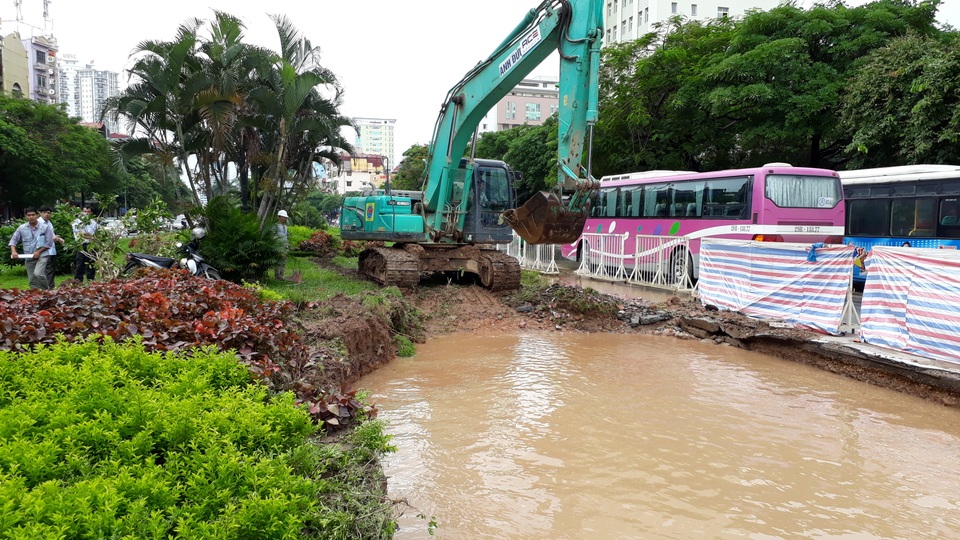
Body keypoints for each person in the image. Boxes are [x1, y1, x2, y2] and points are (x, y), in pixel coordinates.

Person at [8, 206, 53, 290]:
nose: (31, 217)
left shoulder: (45, 227)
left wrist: (38, 252)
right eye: (29, 215)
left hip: (42, 255)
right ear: (26, 216)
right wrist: (13, 251)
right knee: (32, 280)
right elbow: (13, 241)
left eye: (33, 215)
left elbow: (49, 243)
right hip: (29, 256)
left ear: (37, 215)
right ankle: (35, 295)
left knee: (38, 274)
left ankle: (47, 291)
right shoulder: (22, 228)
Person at [38, 205, 64, 288]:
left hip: (51, 250)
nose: (47, 214)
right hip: (44, 250)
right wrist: (52, 238)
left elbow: (52, 235)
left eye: (48, 213)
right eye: (44, 212)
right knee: (48, 270)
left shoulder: (49, 223)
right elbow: (39, 237)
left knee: (51, 270)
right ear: (40, 213)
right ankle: (48, 288)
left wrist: (59, 239)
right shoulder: (38, 223)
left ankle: (50, 288)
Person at [72, 205, 99, 282]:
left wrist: (90, 236)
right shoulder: (76, 222)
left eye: (88, 212)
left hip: (91, 245)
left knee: (92, 263)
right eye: (85, 211)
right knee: (80, 264)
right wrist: (89, 236)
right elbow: (81, 234)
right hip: (81, 245)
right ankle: (78, 281)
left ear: (91, 213)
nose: (86, 213)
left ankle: (91, 281)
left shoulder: (94, 223)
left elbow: (95, 235)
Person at [275, 209, 289, 280]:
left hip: (285, 246)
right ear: (279, 217)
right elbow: (273, 236)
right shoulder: (276, 226)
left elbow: (286, 236)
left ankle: (281, 275)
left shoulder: (285, 227)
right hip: (278, 246)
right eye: (283, 217)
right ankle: (277, 275)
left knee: (283, 261)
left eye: (285, 217)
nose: (285, 219)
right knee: (278, 261)